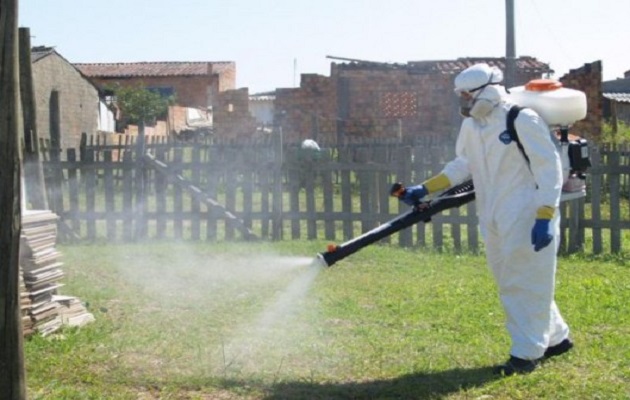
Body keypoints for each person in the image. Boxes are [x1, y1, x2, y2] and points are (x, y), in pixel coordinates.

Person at [400, 63, 573, 376]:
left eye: (468, 95)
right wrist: (425, 188)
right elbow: (461, 165)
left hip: (527, 211)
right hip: (492, 211)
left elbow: (550, 169)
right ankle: (557, 338)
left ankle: (526, 353)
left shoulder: (521, 118)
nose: (464, 102)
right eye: (461, 96)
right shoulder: (473, 127)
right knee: (512, 278)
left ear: (488, 90)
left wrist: (545, 215)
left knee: (522, 281)